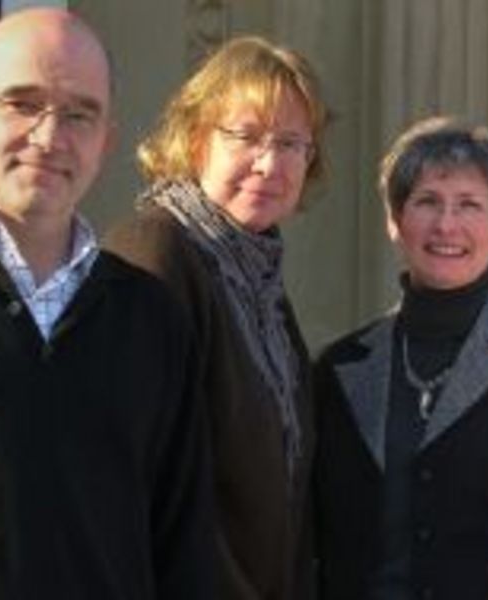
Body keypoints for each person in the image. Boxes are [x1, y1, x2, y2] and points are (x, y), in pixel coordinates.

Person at [0, 8, 212, 598]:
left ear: (106, 141)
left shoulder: (150, 317)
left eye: (79, 114)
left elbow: (183, 550)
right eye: (22, 103)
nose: (50, 137)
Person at [314, 117, 488, 600]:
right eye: (427, 201)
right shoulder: (339, 368)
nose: (446, 224)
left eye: (469, 205)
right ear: (395, 222)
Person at [105, 36, 328, 600]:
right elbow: (135, 474)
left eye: (290, 143)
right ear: (196, 139)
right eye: (246, 136)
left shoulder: (260, 278)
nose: (269, 163)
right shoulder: (154, 252)